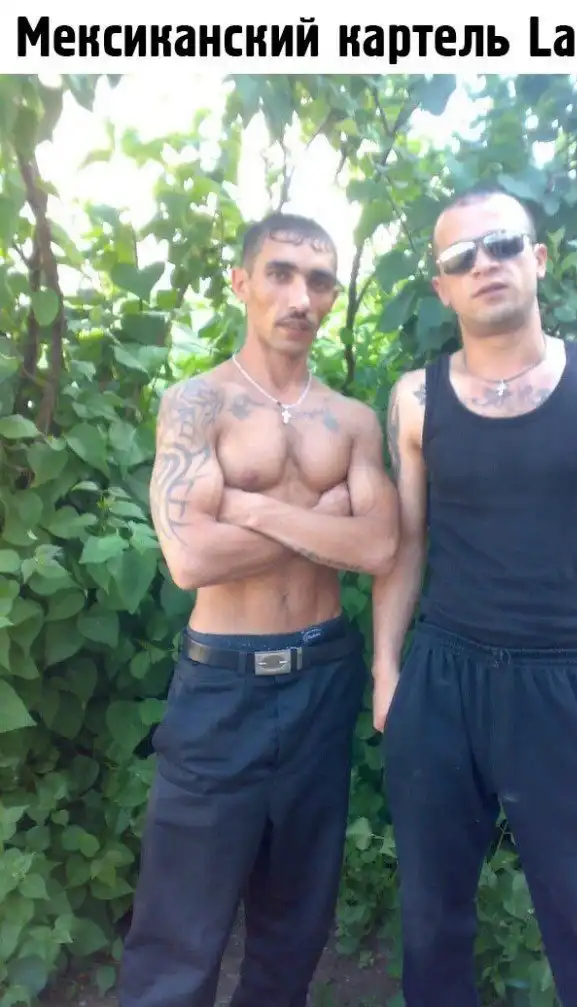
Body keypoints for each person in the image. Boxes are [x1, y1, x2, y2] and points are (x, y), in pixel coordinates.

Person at [372, 185, 577, 1007]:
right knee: (432, 924)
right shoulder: (417, 397)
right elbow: (405, 541)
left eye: (503, 244)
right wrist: (388, 672)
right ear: (442, 286)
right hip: (441, 680)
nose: (485, 264)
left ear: (537, 258)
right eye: (460, 256)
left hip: (562, 684)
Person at [118, 212, 399, 1007]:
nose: (300, 296)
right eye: (280, 273)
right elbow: (191, 558)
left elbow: (380, 545)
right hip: (222, 688)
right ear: (242, 282)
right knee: (179, 933)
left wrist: (253, 510)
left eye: (319, 280)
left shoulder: (353, 420)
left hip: (322, 680)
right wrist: (323, 522)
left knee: (295, 923)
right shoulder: (196, 404)